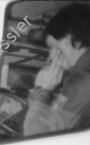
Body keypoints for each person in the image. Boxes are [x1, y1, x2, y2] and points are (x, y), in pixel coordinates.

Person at [23, 3, 90, 135]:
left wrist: (42, 90)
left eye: (54, 45)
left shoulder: (82, 81)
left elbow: (35, 133)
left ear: (68, 38)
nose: (51, 56)